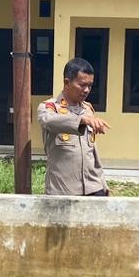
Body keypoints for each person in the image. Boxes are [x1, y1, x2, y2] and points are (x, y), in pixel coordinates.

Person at [38, 57, 110, 196]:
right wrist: (80, 120)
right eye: (82, 85)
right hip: (63, 189)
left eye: (90, 85)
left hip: (93, 187)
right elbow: (48, 121)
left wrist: (103, 183)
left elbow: (92, 150)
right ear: (67, 82)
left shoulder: (88, 109)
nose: (87, 90)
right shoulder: (49, 107)